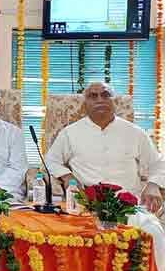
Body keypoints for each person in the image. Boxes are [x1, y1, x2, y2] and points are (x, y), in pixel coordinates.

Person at [45, 81, 165, 214]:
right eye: (93, 96)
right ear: (85, 105)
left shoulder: (134, 132)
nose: (100, 99)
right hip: (88, 207)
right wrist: (68, 177)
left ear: (113, 101)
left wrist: (153, 185)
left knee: (150, 231)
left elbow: (158, 163)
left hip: (130, 206)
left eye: (105, 95)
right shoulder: (70, 133)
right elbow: (51, 160)